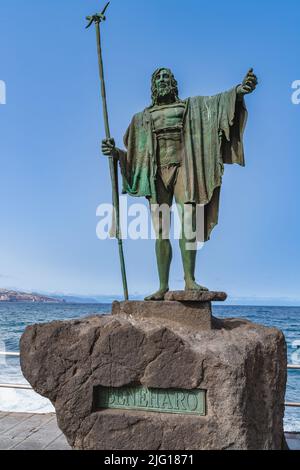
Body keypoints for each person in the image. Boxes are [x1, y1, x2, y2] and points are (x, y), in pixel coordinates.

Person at [102, 68, 257, 300]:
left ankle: (189, 279)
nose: (163, 80)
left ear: (173, 83)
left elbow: (216, 105)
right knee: (161, 231)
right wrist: (115, 152)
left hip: (184, 169)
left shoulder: (188, 107)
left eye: (166, 77)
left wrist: (238, 91)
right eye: (158, 78)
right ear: (153, 86)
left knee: (188, 222)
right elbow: (134, 156)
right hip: (156, 174)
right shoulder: (141, 119)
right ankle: (163, 286)